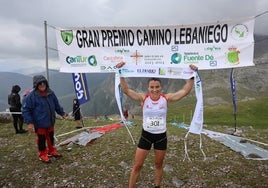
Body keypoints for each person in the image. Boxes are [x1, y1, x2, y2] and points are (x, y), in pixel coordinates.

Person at [116, 62, 198, 188]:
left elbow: (185, 91)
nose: (155, 89)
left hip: (161, 136)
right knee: (137, 165)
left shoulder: (166, 98)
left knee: (158, 165)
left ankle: (157, 186)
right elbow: (126, 90)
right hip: (146, 135)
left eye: (157, 87)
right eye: (152, 87)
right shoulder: (143, 98)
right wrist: (120, 72)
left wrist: (192, 75)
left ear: (161, 87)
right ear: (148, 88)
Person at [22, 75, 68, 163]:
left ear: (46, 84)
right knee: (41, 139)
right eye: (40, 84)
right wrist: (30, 123)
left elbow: (56, 105)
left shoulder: (51, 93)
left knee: (51, 137)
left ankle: (51, 150)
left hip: (50, 121)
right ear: (36, 85)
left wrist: (62, 113)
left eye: (44, 83)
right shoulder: (31, 96)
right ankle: (42, 154)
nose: (42, 85)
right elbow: (26, 110)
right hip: (39, 123)